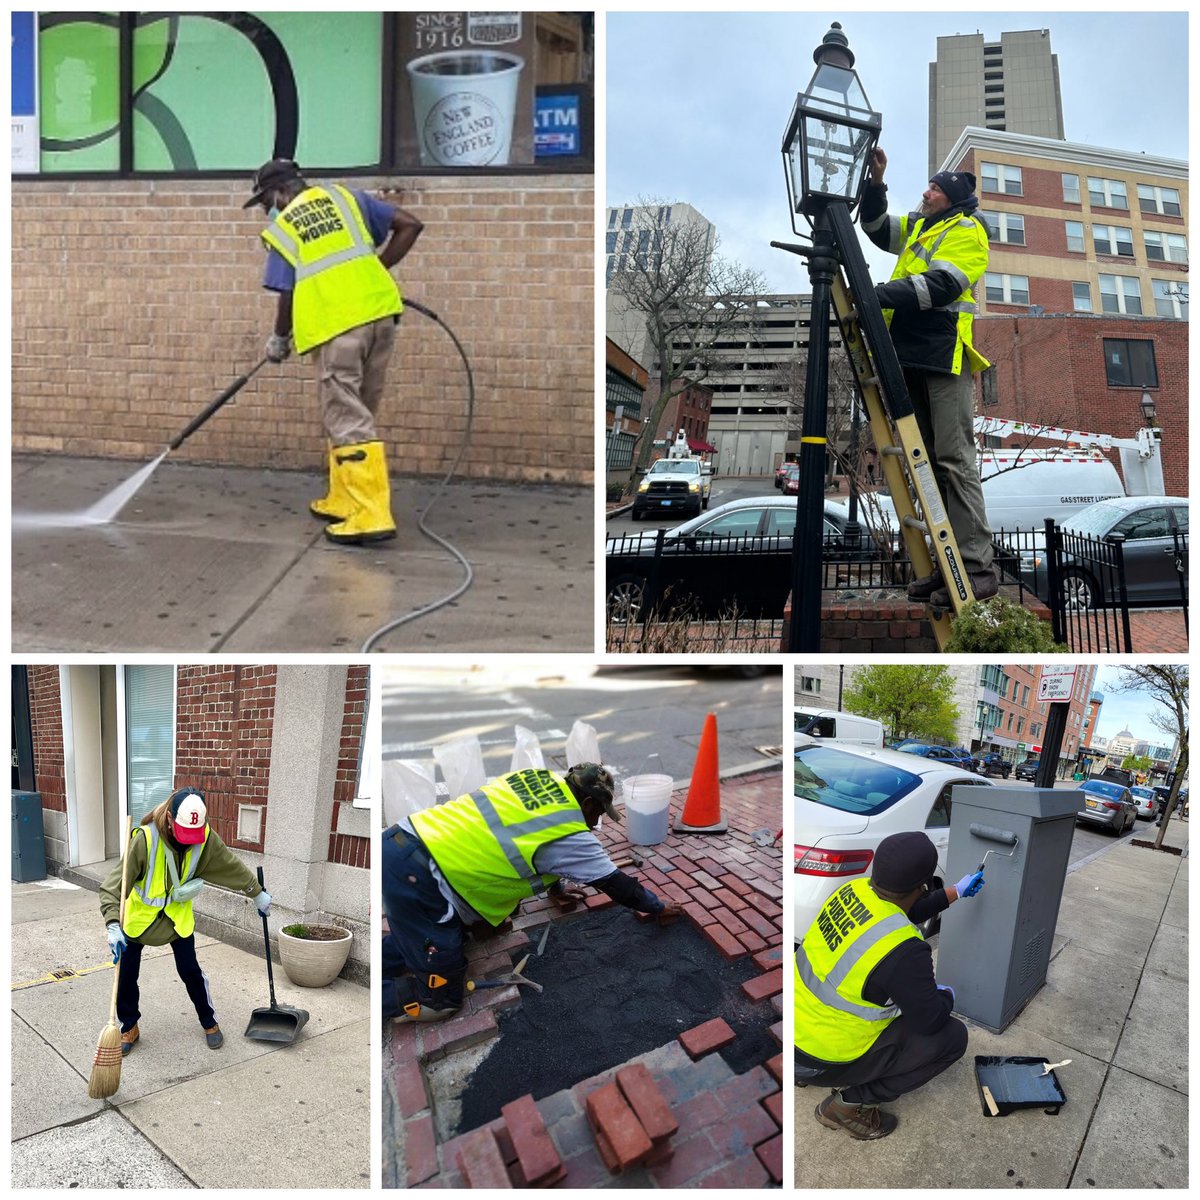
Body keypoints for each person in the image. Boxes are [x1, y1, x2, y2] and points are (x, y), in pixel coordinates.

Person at [382, 764, 682, 1022]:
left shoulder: (534, 777)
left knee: (431, 935)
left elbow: (524, 837)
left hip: (402, 841)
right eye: (599, 812)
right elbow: (618, 885)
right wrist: (657, 907)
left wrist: (556, 887)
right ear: (588, 802)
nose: (595, 822)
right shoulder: (571, 834)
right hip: (420, 879)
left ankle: (400, 951)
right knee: (441, 1000)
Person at [244, 158, 425, 545]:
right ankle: (343, 499)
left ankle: (370, 514)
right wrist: (376, 270)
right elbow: (410, 224)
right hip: (380, 316)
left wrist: (279, 339)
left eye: (264, 202)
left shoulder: (286, 226)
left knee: (345, 415)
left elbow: (288, 291)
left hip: (338, 326)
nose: (266, 210)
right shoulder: (347, 199)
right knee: (358, 410)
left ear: (278, 193)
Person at [860, 148, 999, 608]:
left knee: (953, 460)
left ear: (952, 198)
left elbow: (941, 286)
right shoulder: (923, 225)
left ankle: (976, 567)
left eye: (935, 188)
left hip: (943, 355)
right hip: (908, 354)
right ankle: (948, 565)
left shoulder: (966, 229)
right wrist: (876, 181)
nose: (925, 192)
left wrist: (876, 294)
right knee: (926, 465)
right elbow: (877, 229)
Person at [794, 831, 983, 1140]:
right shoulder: (904, 950)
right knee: (951, 1037)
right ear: (923, 886)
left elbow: (895, 912)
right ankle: (848, 1105)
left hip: (791, 1035)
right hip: (818, 1059)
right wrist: (945, 997)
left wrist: (956, 892)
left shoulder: (851, 890)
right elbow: (930, 1019)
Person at [100, 790, 271, 1055]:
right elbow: (113, 887)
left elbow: (229, 865)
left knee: (191, 971)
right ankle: (129, 1026)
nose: (188, 842)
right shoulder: (145, 841)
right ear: (169, 818)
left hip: (177, 920)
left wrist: (255, 891)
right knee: (126, 976)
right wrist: (112, 923)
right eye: (183, 834)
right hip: (139, 921)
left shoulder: (203, 838)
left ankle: (208, 1021)